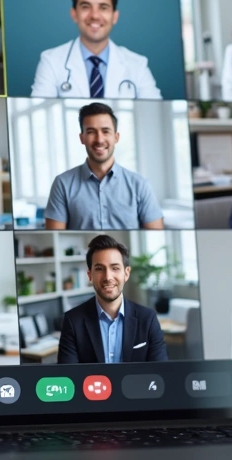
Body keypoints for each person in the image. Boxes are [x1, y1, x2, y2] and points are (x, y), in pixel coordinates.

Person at [32, 0, 162, 99]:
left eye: (103, 8)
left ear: (115, 16)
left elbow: (156, 109)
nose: (94, 15)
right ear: (74, 14)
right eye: (85, 7)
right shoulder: (51, 61)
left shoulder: (138, 64)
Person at [45, 102, 164, 230]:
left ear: (116, 137)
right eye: (91, 132)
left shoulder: (140, 184)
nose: (99, 140)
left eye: (105, 131)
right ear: (82, 138)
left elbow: (156, 233)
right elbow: (55, 236)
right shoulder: (62, 183)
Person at [57, 235, 167, 364]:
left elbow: (160, 375)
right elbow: (68, 378)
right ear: (89, 275)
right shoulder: (72, 320)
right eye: (99, 269)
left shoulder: (148, 319)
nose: (108, 277)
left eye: (115, 268)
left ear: (126, 273)